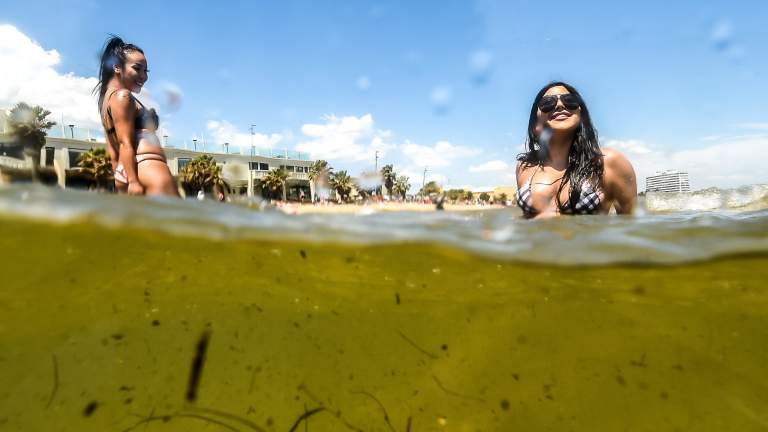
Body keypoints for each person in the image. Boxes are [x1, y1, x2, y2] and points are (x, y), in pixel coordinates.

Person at [515, 82, 636, 218]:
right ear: (535, 119)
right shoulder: (525, 165)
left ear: (581, 112)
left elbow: (630, 223)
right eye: (548, 102)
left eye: (569, 100)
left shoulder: (608, 161)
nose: (560, 105)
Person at [95, 36, 178, 197]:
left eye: (146, 71)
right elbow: (124, 143)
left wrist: (121, 182)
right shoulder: (123, 97)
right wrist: (133, 181)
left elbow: (113, 150)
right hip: (148, 168)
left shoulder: (108, 100)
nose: (144, 76)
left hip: (133, 170)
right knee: (177, 213)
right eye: (137, 68)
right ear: (117, 67)